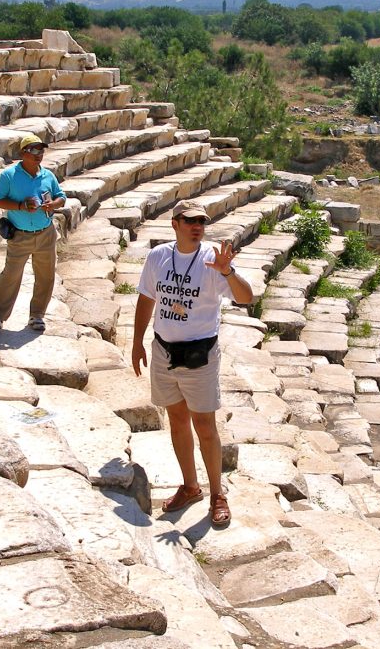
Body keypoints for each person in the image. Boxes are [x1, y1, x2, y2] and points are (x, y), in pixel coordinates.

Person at [131, 200, 253, 528]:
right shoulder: (158, 257)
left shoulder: (213, 258)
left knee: (205, 425)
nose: (197, 226)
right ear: (175, 223)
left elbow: (246, 297)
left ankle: (218, 494)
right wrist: (136, 342)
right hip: (164, 352)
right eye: (190, 221)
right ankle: (190, 486)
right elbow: (146, 298)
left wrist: (228, 271)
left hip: (200, 356)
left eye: (201, 221)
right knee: (177, 420)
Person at [0, 133, 65, 332]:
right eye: (33, 150)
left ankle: (37, 315)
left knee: (45, 276)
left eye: (41, 150)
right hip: (20, 235)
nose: (38, 154)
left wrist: (52, 204)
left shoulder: (48, 175)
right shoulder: (9, 176)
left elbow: (61, 197)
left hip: (45, 233)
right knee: (11, 275)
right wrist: (21, 206)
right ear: (23, 153)